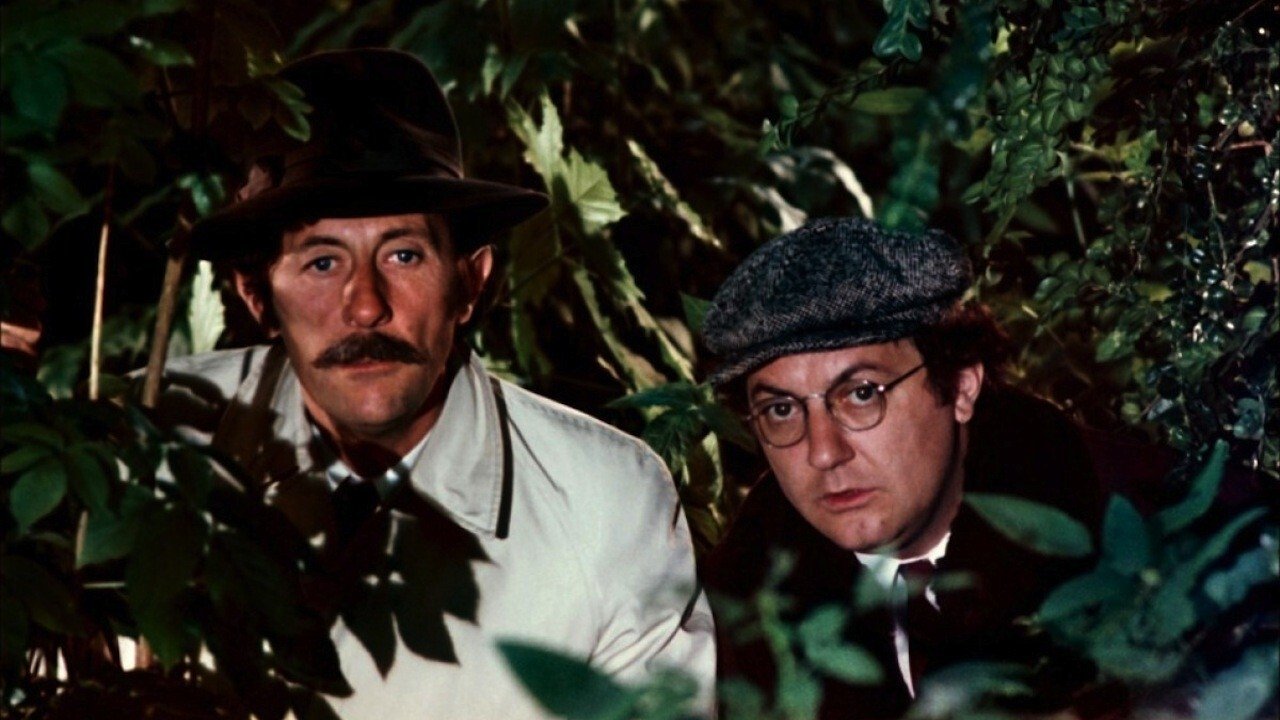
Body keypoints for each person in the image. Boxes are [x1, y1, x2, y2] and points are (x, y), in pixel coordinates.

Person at [151, 49, 714, 718]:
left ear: (469, 283)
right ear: (256, 297)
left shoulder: (605, 501)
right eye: (323, 262)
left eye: (403, 255)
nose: (366, 306)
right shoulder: (153, 437)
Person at [700, 217, 1106, 718]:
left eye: (861, 394)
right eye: (781, 409)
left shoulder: (1129, 518)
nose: (823, 452)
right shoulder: (735, 608)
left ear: (960, 386)